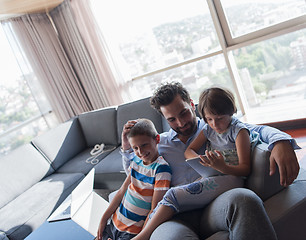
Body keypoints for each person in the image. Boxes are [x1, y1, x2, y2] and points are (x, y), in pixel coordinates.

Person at [121, 82, 300, 240]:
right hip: (176, 216)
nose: (181, 123)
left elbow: (254, 130)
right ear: (164, 119)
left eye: (184, 113)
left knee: (245, 198)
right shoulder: (159, 143)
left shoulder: (214, 126)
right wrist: (126, 147)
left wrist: (281, 141)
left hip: (216, 205)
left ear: (192, 105)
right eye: (172, 120)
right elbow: (136, 174)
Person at [97, 118, 172, 240]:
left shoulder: (161, 169)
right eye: (135, 148)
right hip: (114, 223)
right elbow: (122, 191)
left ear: (156, 139)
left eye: (144, 145)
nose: (140, 152)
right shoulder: (136, 161)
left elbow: (155, 209)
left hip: (132, 232)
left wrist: (142, 236)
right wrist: (104, 218)